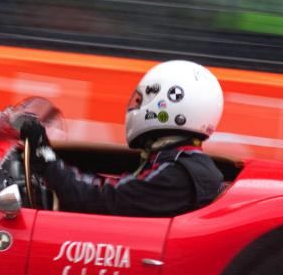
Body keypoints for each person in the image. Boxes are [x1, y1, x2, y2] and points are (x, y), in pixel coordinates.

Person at [14, 59, 226, 218]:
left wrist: (46, 159)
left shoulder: (177, 174)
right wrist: (55, 167)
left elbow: (101, 200)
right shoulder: (177, 163)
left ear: (170, 105)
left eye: (142, 100)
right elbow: (116, 188)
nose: (136, 107)